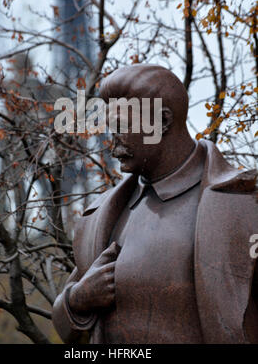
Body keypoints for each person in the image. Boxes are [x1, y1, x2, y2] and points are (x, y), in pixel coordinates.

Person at [52, 64, 258, 344]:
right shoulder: (104, 215)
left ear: (162, 121)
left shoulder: (243, 203)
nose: (114, 143)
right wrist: (76, 300)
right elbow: (67, 329)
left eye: (122, 128)